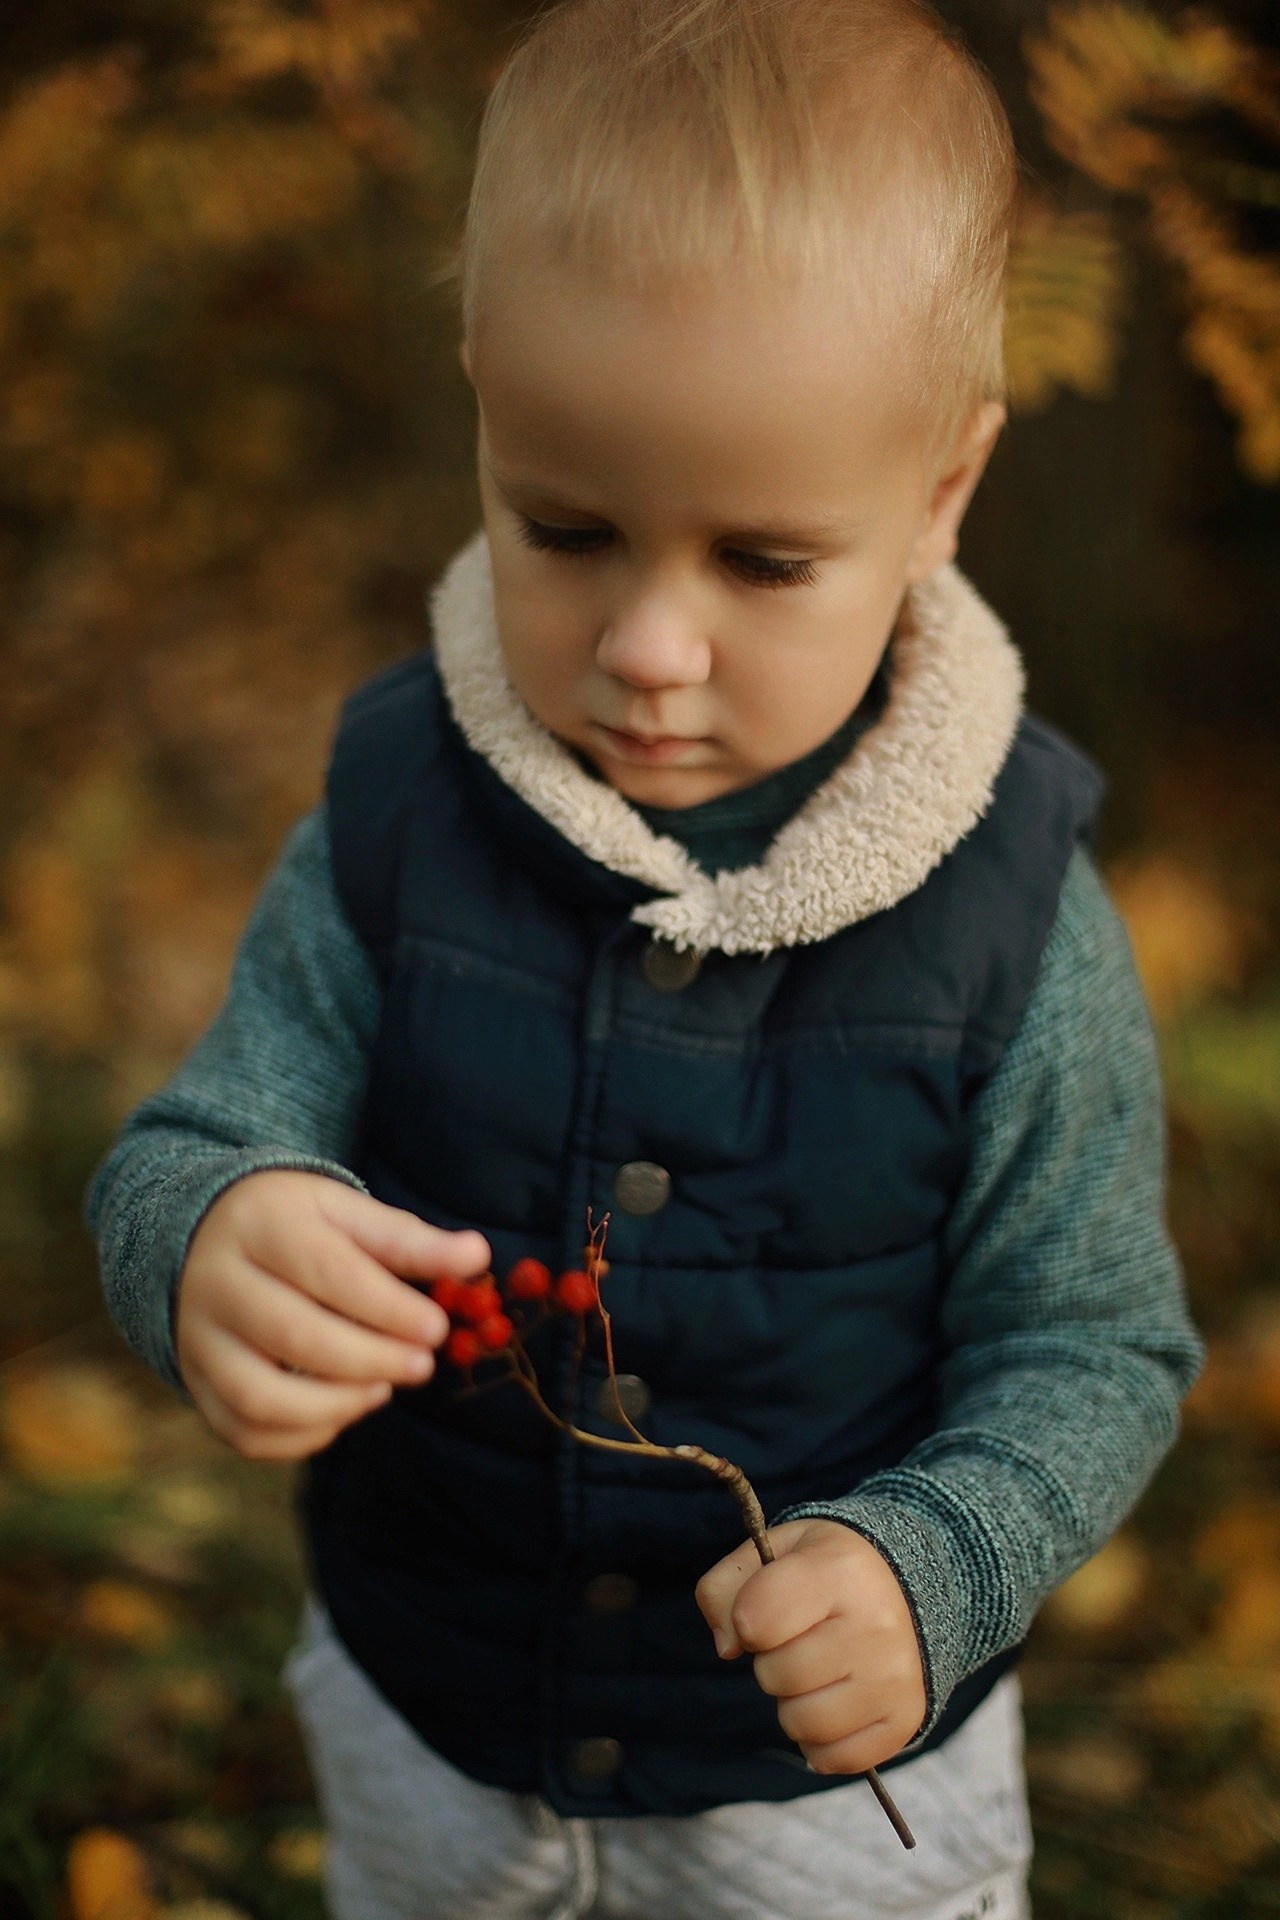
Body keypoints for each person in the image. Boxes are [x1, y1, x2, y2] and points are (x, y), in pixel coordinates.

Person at [87, 2, 1203, 1915]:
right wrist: (205, 1233)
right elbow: (205, 1134)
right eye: (566, 527)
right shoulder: (396, 814)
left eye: (762, 562)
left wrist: (935, 1564)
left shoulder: (1012, 917)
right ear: (484, 410)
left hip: (821, 1806)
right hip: (436, 1719)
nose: (649, 649)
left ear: (944, 491)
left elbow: (1092, 1344)